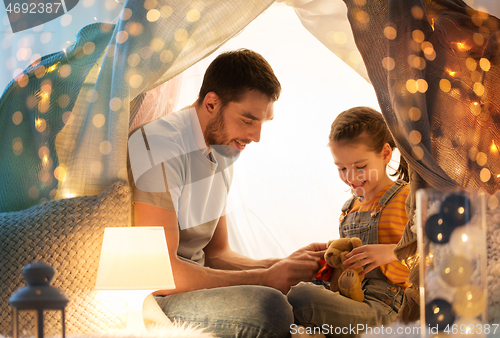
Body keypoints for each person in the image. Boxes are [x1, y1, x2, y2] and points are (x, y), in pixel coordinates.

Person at [128, 49, 326, 338]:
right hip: (162, 297)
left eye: (262, 123)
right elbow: (161, 273)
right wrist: (266, 279)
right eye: (248, 120)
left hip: (199, 284)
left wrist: (286, 266)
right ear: (211, 103)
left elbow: (218, 254)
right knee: (271, 307)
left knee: (310, 289)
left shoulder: (225, 148)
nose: (256, 137)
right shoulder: (159, 144)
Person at [287, 106, 411, 338]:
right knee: (285, 294)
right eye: (342, 168)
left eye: (360, 167)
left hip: (386, 307)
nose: (350, 177)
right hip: (348, 296)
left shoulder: (406, 197)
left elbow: (437, 248)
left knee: (300, 298)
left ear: (385, 154)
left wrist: (390, 252)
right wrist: (328, 263)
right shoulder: (349, 208)